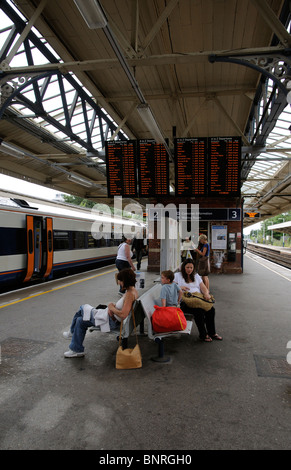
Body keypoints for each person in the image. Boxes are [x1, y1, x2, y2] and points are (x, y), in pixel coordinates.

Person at [63, 269, 138, 357]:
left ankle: (71, 333)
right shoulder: (132, 291)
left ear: (125, 280)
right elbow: (124, 308)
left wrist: (111, 308)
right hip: (109, 318)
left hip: (109, 321)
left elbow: (123, 314)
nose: (119, 283)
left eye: (120, 281)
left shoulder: (129, 295)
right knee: (80, 320)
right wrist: (113, 306)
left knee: (83, 307)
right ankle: (77, 350)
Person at [174, 259, 222, 342]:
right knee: (198, 312)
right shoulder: (177, 276)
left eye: (191, 268)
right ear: (183, 267)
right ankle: (203, 335)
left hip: (198, 299)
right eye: (187, 267)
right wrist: (179, 287)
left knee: (211, 310)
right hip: (185, 302)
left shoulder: (196, 276)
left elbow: (203, 287)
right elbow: (170, 286)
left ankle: (212, 332)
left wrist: (206, 294)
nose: (189, 269)